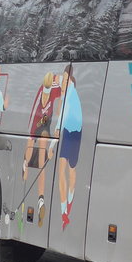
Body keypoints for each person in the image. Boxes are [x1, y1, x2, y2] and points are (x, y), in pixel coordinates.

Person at [22, 71, 62, 227]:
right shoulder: (47, 91)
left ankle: (39, 197)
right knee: (35, 152)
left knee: (37, 158)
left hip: (42, 126)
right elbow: (33, 112)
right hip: (38, 124)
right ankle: (26, 166)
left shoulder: (51, 88)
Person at [55, 63, 83, 230]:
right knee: (66, 169)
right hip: (74, 131)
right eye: (62, 80)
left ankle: (66, 206)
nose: (63, 83)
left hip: (71, 131)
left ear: (70, 79)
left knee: (68, 170)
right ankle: (65, 207)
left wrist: (57, 127)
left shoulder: (70, 91)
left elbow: (64, 113)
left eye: (65, 80)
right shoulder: (69, 90)